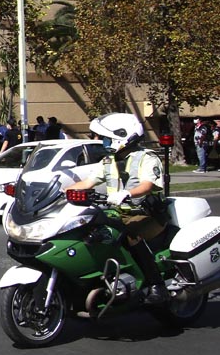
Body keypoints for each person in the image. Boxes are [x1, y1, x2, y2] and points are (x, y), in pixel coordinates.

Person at [65, 112, 168, 305]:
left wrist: (128, 194)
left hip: (146, 214)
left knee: (129, 235)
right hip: (118, 213)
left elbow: (148, 185)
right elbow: (87, 182)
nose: (101, 141)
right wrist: (58, 193)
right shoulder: (108, 161)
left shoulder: (146, 158)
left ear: (121, 136)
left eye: (105, 138)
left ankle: (157, 285)